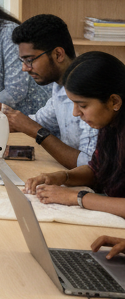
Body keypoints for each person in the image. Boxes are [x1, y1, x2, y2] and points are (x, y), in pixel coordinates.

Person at [23, 51, 125, 220]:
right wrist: (62, 177)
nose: (75, 113)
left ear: (114, 101)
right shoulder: (111, 124)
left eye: (82, 106)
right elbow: (97, 169)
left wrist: (76, 197)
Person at [0, 14, 97, 169]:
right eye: (22, 61)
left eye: (29, 60)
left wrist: (36, 131)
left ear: (58, 54)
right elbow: (41, 120)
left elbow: (89, 165)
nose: (24, 68)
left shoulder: (90, 91)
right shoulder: (59, 86)